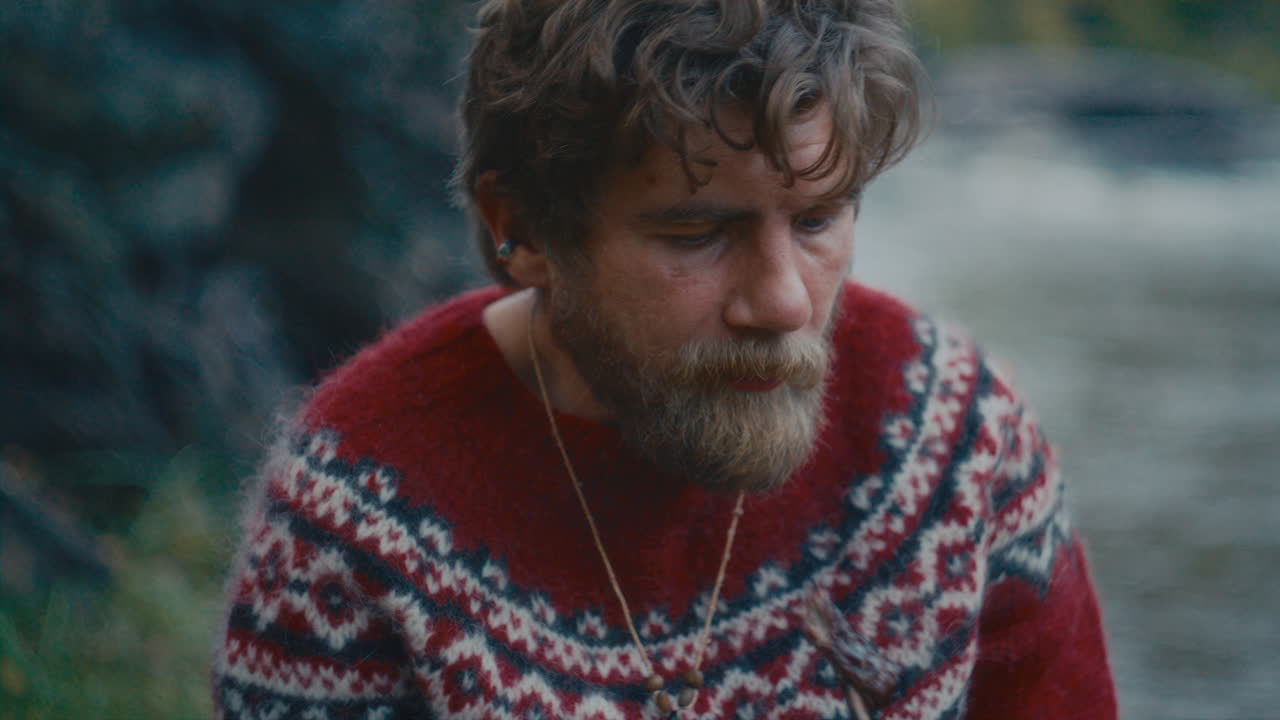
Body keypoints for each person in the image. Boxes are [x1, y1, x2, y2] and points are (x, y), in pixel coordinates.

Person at [211, 1, 1117, 718]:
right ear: (518, 227)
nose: (786, 302)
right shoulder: (354, 522)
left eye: (817, 220)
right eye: (697, 232)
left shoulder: (958, 439)